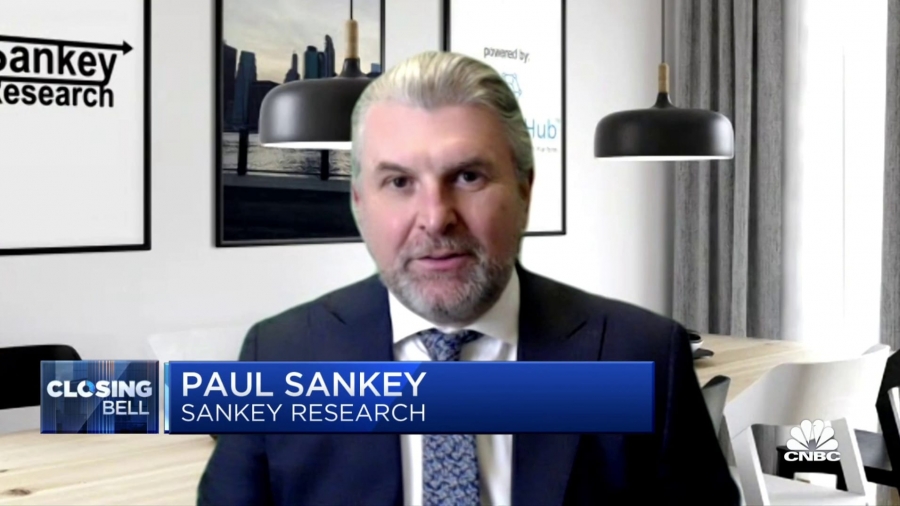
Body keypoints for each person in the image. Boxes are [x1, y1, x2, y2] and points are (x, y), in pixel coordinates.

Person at [198, 50, 740, 506]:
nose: (436, 218)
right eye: (399, 182)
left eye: (468, 176)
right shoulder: (279, 357)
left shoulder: (643, 357)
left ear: (525, 189)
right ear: (359, 202)